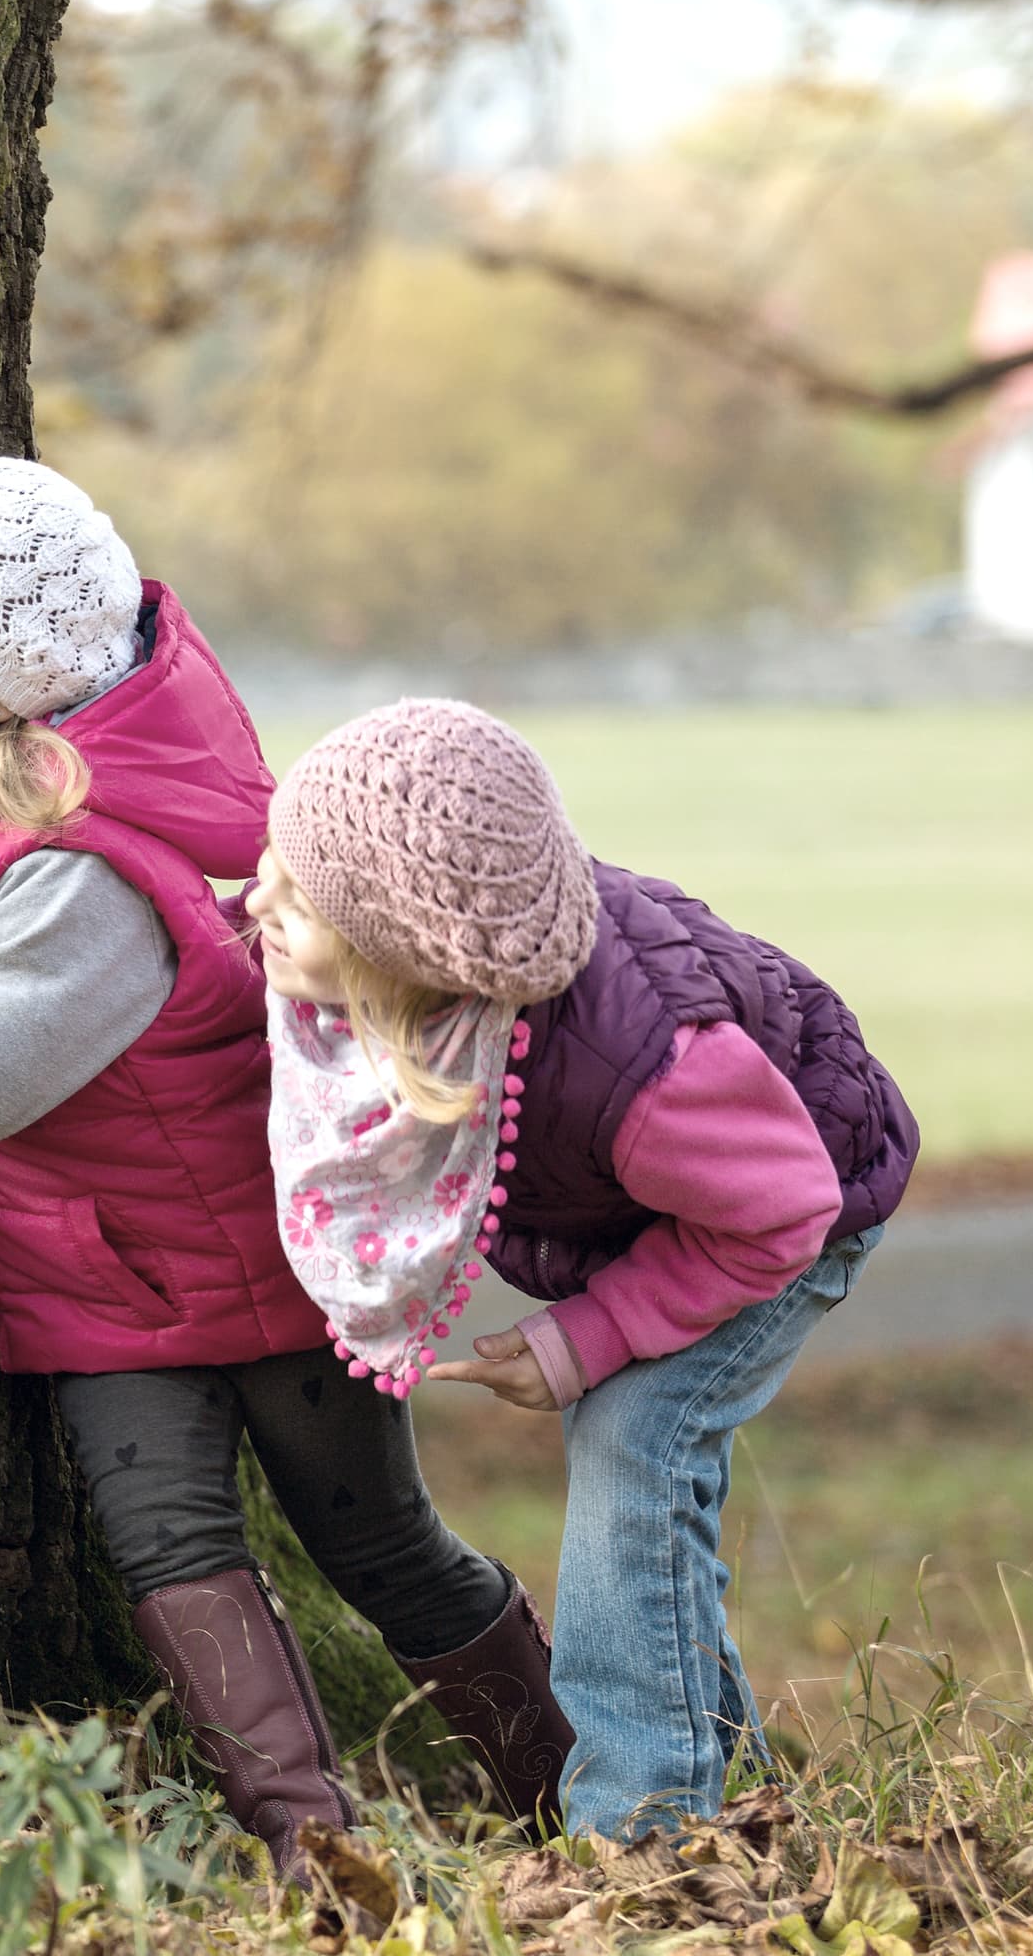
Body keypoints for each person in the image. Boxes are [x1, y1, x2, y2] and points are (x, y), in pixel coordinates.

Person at [0, 459, 568, 1869]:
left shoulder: (68, 871)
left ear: (8, 680)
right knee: (170, 1558)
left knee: (382, 1546)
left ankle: (572, 1792)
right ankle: (311, 1853)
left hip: (251, 1271)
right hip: (106, 1279)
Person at [246, 698, 916, 1843]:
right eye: (269, 863)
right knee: (641, 1466)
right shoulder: (407, 987)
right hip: (678, 1214)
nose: (254, 902)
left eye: (295, 900)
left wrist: (581, 1340)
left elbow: (778, 1217)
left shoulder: (646, 1070)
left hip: (786, 1211)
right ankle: (741, 1794)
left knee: (629, 1437)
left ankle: (642, 1830)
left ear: (406, 959)